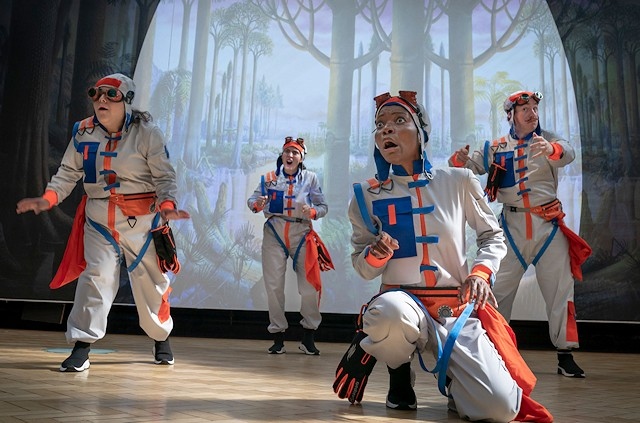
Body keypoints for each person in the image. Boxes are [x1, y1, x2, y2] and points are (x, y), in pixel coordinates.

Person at [333, 90, 552, 422]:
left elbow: (492, 235)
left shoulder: (460, 181)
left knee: (500, 408)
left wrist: (480, 272)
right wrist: (375, 256)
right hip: (402, 305)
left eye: (398, 121)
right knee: (390, 312)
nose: (386, 131)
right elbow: (362, 268)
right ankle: (398, 370)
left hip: (456, 310)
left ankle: (456, 380)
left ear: (421, 131)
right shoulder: (365, 196)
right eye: (379, 125)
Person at [16, 73, 190, 372]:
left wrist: (169, 204)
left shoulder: (148, 133)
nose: (101, 100)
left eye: (111, 95)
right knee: (96, 278)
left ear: (128, 100)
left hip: (143, 222)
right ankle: (82, 347)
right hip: (99, 220)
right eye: (96, 94)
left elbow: (164, 177)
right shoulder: (82, 131)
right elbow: (68, 173)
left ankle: (161, 336)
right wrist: (49, 198)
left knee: (153, 286)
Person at [449, 90, 591, 378]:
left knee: (560, 292)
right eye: (525, 108)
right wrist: (459, 159)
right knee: (498, 291)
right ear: (511, 115)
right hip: (511, 229)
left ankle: (565, 354)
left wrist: (551, 151)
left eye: (535, 107)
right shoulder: (496, 147)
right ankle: (494, 350)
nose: (532, 113)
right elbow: (465, 167)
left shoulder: (549, 139)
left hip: (548, 228)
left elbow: (567, 153)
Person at [247, 137, 330, 355]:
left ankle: (308, 336)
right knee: (274, 286)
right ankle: (278, 337)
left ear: (301, 158)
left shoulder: (311, 178)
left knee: (309, 286)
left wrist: (313, 212)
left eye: (295, 153)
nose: (290, 156)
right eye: (287, 152)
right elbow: (252, 201)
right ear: (282, 155)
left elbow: (323, 206)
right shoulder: (269, 178)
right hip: (274, 231)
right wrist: (257, 204)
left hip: (301, 233)